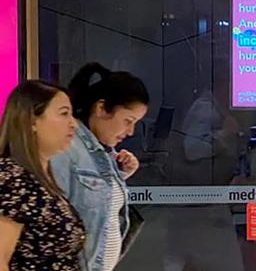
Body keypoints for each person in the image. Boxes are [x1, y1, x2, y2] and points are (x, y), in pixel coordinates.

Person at [51, 64, 149, 271]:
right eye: (127, 121)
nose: (130, 132)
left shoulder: (100, 152)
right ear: (101, 108)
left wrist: (120, 175)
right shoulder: (68, 147)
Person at [0, 81, 85, 270]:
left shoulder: (41, 179)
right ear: (32, 121)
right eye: (64, 114)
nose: (74, 124)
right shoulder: (12, 179)